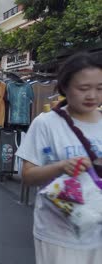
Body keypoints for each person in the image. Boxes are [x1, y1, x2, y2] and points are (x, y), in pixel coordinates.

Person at [16, 52, 102, 264]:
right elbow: (27, 176)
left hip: (97, 232)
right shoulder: (46, 123)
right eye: (83, 89)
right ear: (64, 87)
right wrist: (62, 167)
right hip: (58, 233)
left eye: (100, 88)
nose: (92, 95)